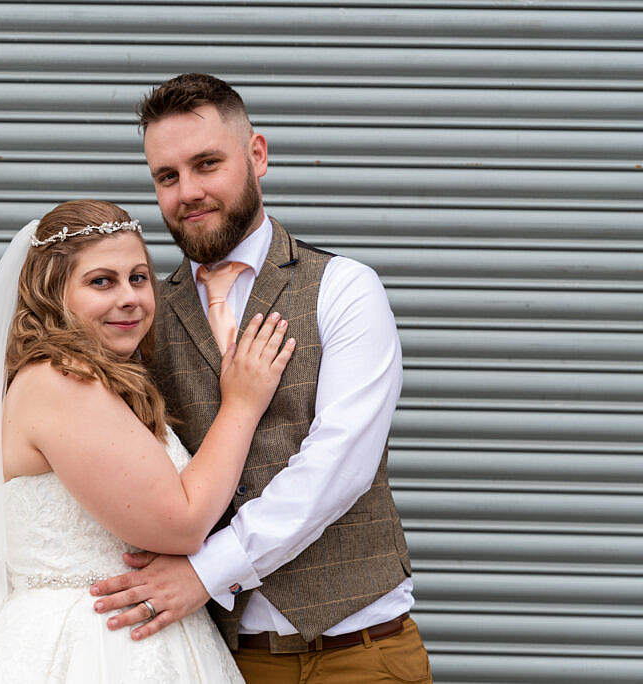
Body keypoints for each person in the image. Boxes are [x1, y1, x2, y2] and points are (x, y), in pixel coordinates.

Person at [0, 198, 295, 683]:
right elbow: (184, 523)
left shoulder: (97, 380)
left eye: (138, 277)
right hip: (88, 647)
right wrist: (242, 404)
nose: (130, 296)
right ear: (53, 293)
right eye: (101, 281)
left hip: (135, 636)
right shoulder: (61, 381)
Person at [89, 74, 433, 683]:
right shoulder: (143, 316)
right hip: (220, 660)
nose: (187, 192)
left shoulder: (343, 287)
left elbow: (341, 464)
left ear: (257, 156)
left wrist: (205, 571)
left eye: (206, 164)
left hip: (360, 650)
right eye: (166, 177)